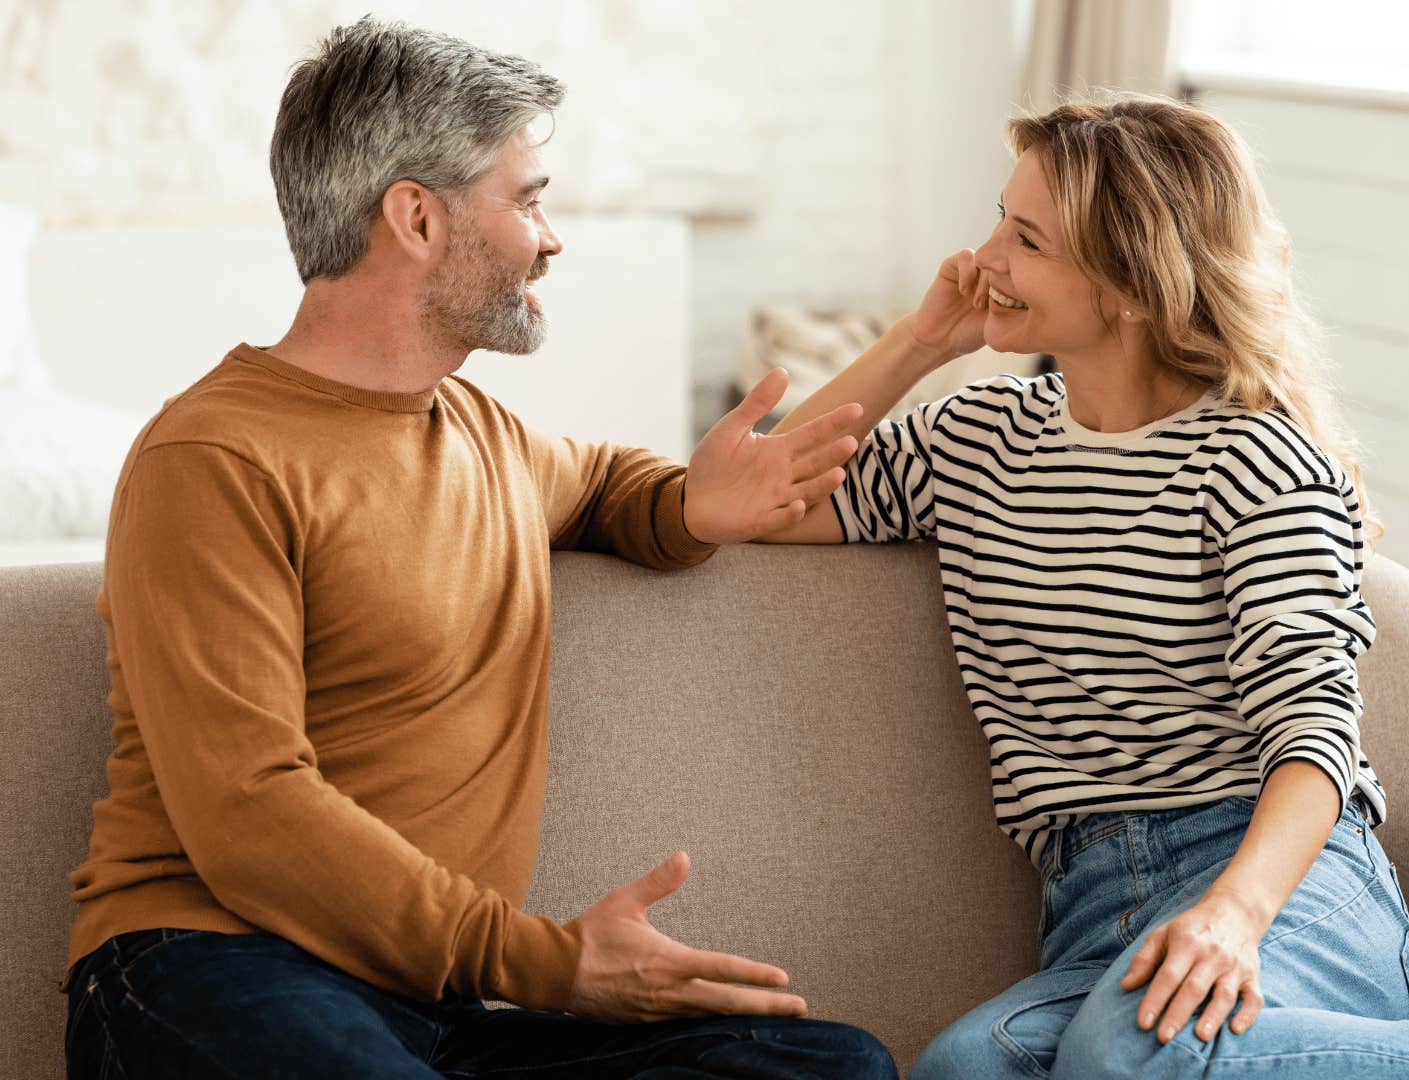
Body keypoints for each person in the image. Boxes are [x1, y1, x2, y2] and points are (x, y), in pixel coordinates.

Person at [61, 18, 897, 1079]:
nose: (551, 239)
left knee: (829, 1066)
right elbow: (249, 810)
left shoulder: (482, 434)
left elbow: (600, 484)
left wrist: (692, 508)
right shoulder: (214, 457)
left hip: (429, 1006)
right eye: (528, 198)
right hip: (209, 964)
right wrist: (547, 962)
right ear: (415, 217)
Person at [760, 93, 1409, 1080]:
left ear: (1130, 282)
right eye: (998, 221)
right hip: (1093, 904)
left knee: (1128, 1055)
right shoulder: (975, 441)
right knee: (966, 1070)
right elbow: (755, 503)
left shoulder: (1256, 458)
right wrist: (919, 342)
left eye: (1028, 239)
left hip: (1285, 890)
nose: (984, 261)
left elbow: (1315, 734)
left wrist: (1234, 913)